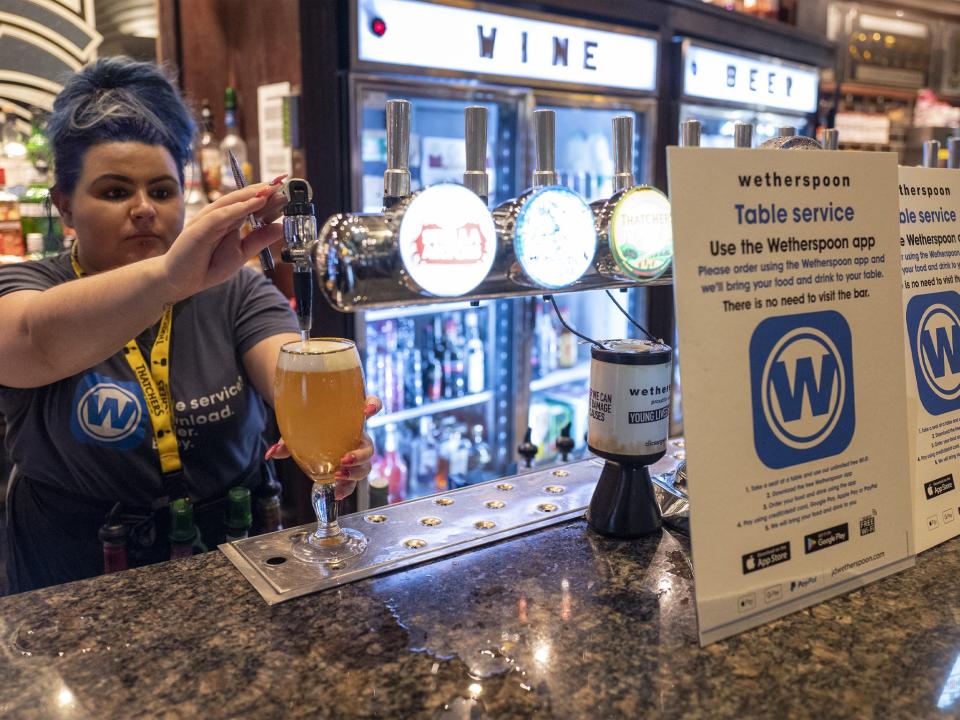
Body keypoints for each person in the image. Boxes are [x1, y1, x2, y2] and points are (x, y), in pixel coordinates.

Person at [0, 57, 378, 593]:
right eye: (113, 192)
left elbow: (283, 367)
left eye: (161, 190)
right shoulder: (24, 287)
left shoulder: (234, 288)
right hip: (76, 577)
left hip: (233, 559)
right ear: (64, 205)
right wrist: (170, 278)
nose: (144, 210)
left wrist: (332, 429)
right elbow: (33, 341)